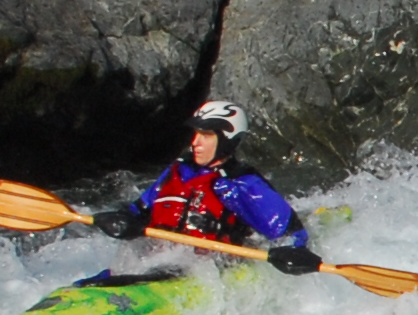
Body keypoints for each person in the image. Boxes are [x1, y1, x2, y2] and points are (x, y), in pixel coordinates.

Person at [109, 101, 320, 272]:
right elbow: (137, 211)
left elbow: (290, 232)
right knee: (93, 282)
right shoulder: (178, 171)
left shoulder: (241, 183)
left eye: (206, 135)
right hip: (153, 263)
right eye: (196, 134)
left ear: (227, 140)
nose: (195, 142)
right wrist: (121, 219)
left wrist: (295, 251)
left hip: (204, 271)